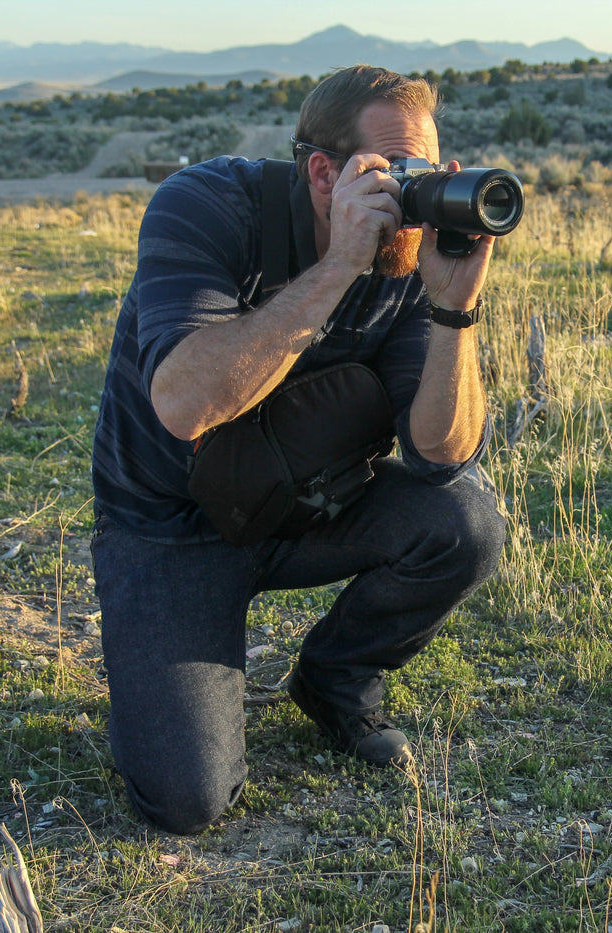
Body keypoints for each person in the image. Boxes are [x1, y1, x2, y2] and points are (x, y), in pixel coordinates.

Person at [90, 65, 507, 835]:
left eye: (428, 170)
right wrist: (338, 263)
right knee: (188, 800)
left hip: (307, 506)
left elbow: (440, 456)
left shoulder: (408, 260)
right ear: (324, 172)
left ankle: (334, 677)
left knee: (465, 522)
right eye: (397, 174)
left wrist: (455, 309)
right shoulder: (206, 204)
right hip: (171, 530)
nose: (415, 198)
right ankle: (149, 696)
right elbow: (183, 404)